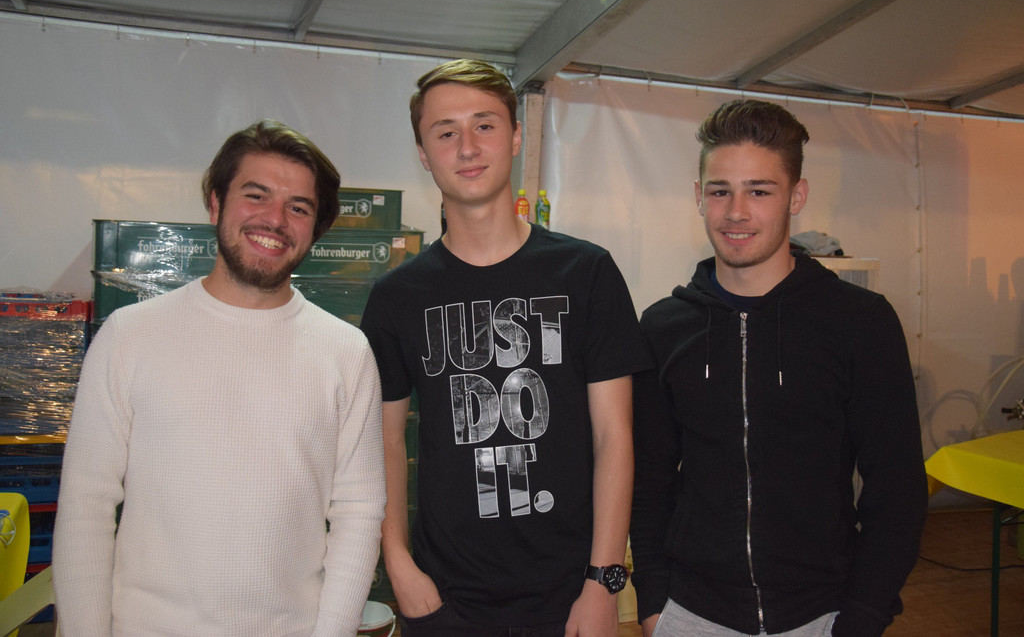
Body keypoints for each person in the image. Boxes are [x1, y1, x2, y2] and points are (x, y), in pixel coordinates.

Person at [53, 119, 386, 635]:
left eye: (298, 207)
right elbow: (85, 507)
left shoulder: (346, 353)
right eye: (256, 195)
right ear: (215, 203)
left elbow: (359, 513)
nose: (275, 219)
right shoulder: (129, 336)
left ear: (314, 229)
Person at [359, 59, 651, 636]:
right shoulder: (397, 297)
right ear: (423, 153)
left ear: (516, 136)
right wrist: (399, 565)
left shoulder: (585, 272)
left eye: (485, 125)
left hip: (570, 597)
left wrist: (603, 581)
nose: (467, 147)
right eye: (446, 132)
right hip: (445, 601)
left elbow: (614, 436)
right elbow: (383, 442)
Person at [630, 99, 928, 637]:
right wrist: (653, 602)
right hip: (691, 614)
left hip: (821, 615)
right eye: (720, 191)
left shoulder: (860, 322)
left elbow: (897, 488)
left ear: (797, 195)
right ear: (698, 197)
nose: (736, 212)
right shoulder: (663, 327)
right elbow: (649, 479)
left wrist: (863, 616)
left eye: (760, 191)